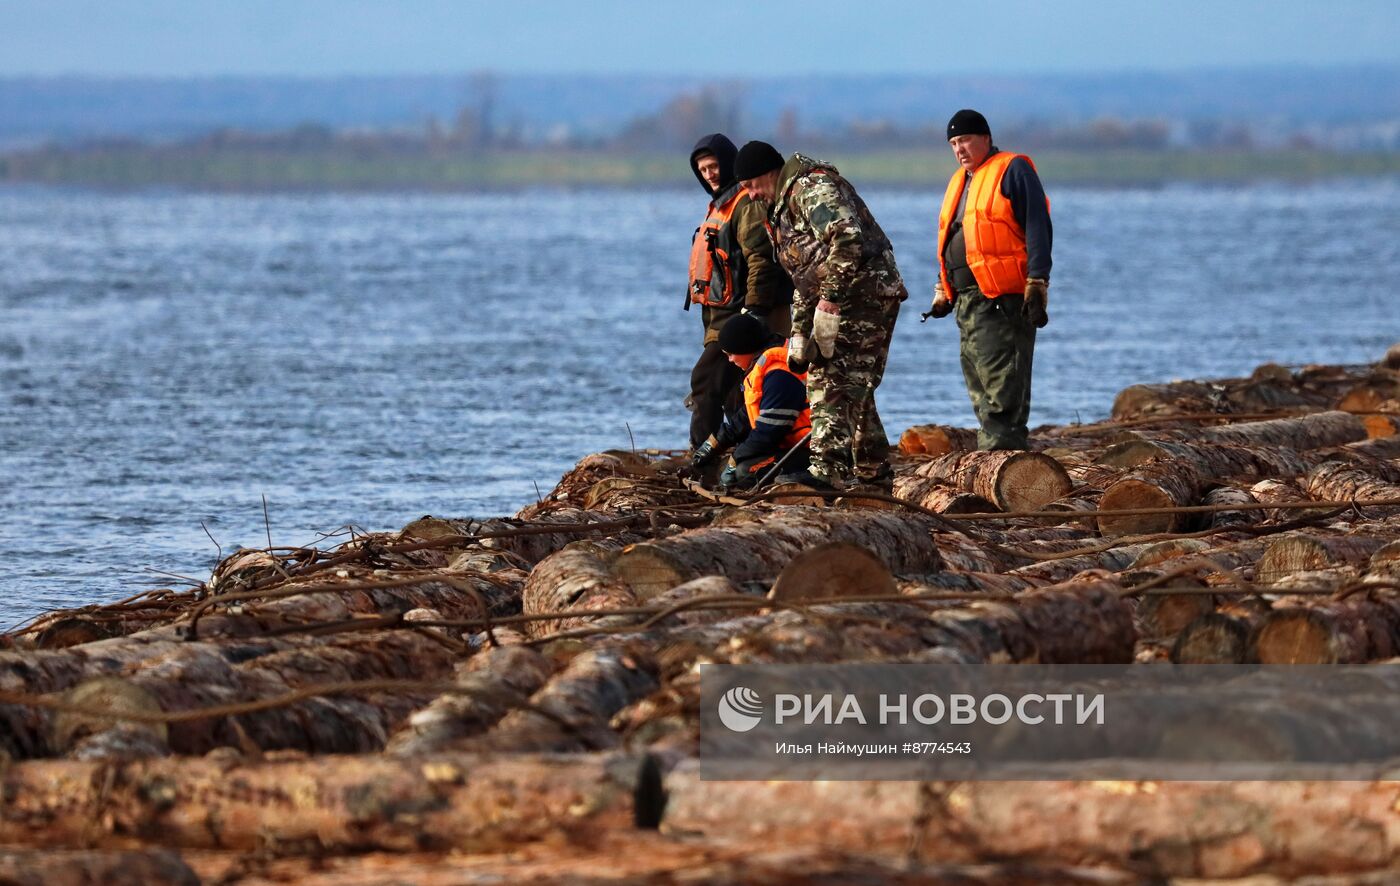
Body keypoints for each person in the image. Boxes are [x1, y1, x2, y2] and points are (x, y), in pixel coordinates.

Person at [731, 140, 907, 491]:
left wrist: (830, 301)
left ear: (768, 174)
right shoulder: (780, 207)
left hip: (866, 294)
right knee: (854, 385)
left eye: (751, 186)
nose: (750, 196)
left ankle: (827, 472)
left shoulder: (812, 188)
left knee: (830, 379)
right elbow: (804, 273)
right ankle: (873, 474)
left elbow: (848, 238)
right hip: (843, 297)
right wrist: (798, 331)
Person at [925, 109, 1052, 451]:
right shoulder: (960, 180)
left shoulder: (1013, 169)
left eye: (965, 139)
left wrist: (1037, 282)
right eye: (953, 143)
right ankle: (993, 453)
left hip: (1000, 298)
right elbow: (953, 235)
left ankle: (1002, 454)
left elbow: (1038, 225)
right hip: (966, 299)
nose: (959, 149)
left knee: (1002, 383)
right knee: (977, 379)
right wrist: (942, 287)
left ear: (985, 137)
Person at [686, 134, 793, 453]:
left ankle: (701, 457)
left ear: (729, 163)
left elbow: (760, 260)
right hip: (720, 317)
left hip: (741, 316)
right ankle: (737, 452)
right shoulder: (720, 205)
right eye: (702, 170)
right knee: (735, 390)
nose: (709, 174)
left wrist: (755, 310)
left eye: (714, 166)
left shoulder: (744, 204)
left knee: (705, 381)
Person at [690, 313, 811, 491]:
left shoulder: (780, 374)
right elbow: (749, 414)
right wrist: (716, 442)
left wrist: (737, 457)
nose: (730, 360)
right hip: (788, 445)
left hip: (809, 451)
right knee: (733, 466)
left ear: (745, 348)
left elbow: (769, 433)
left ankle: (808, 479)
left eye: (731, 354)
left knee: (744, 472)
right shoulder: (762, 366)